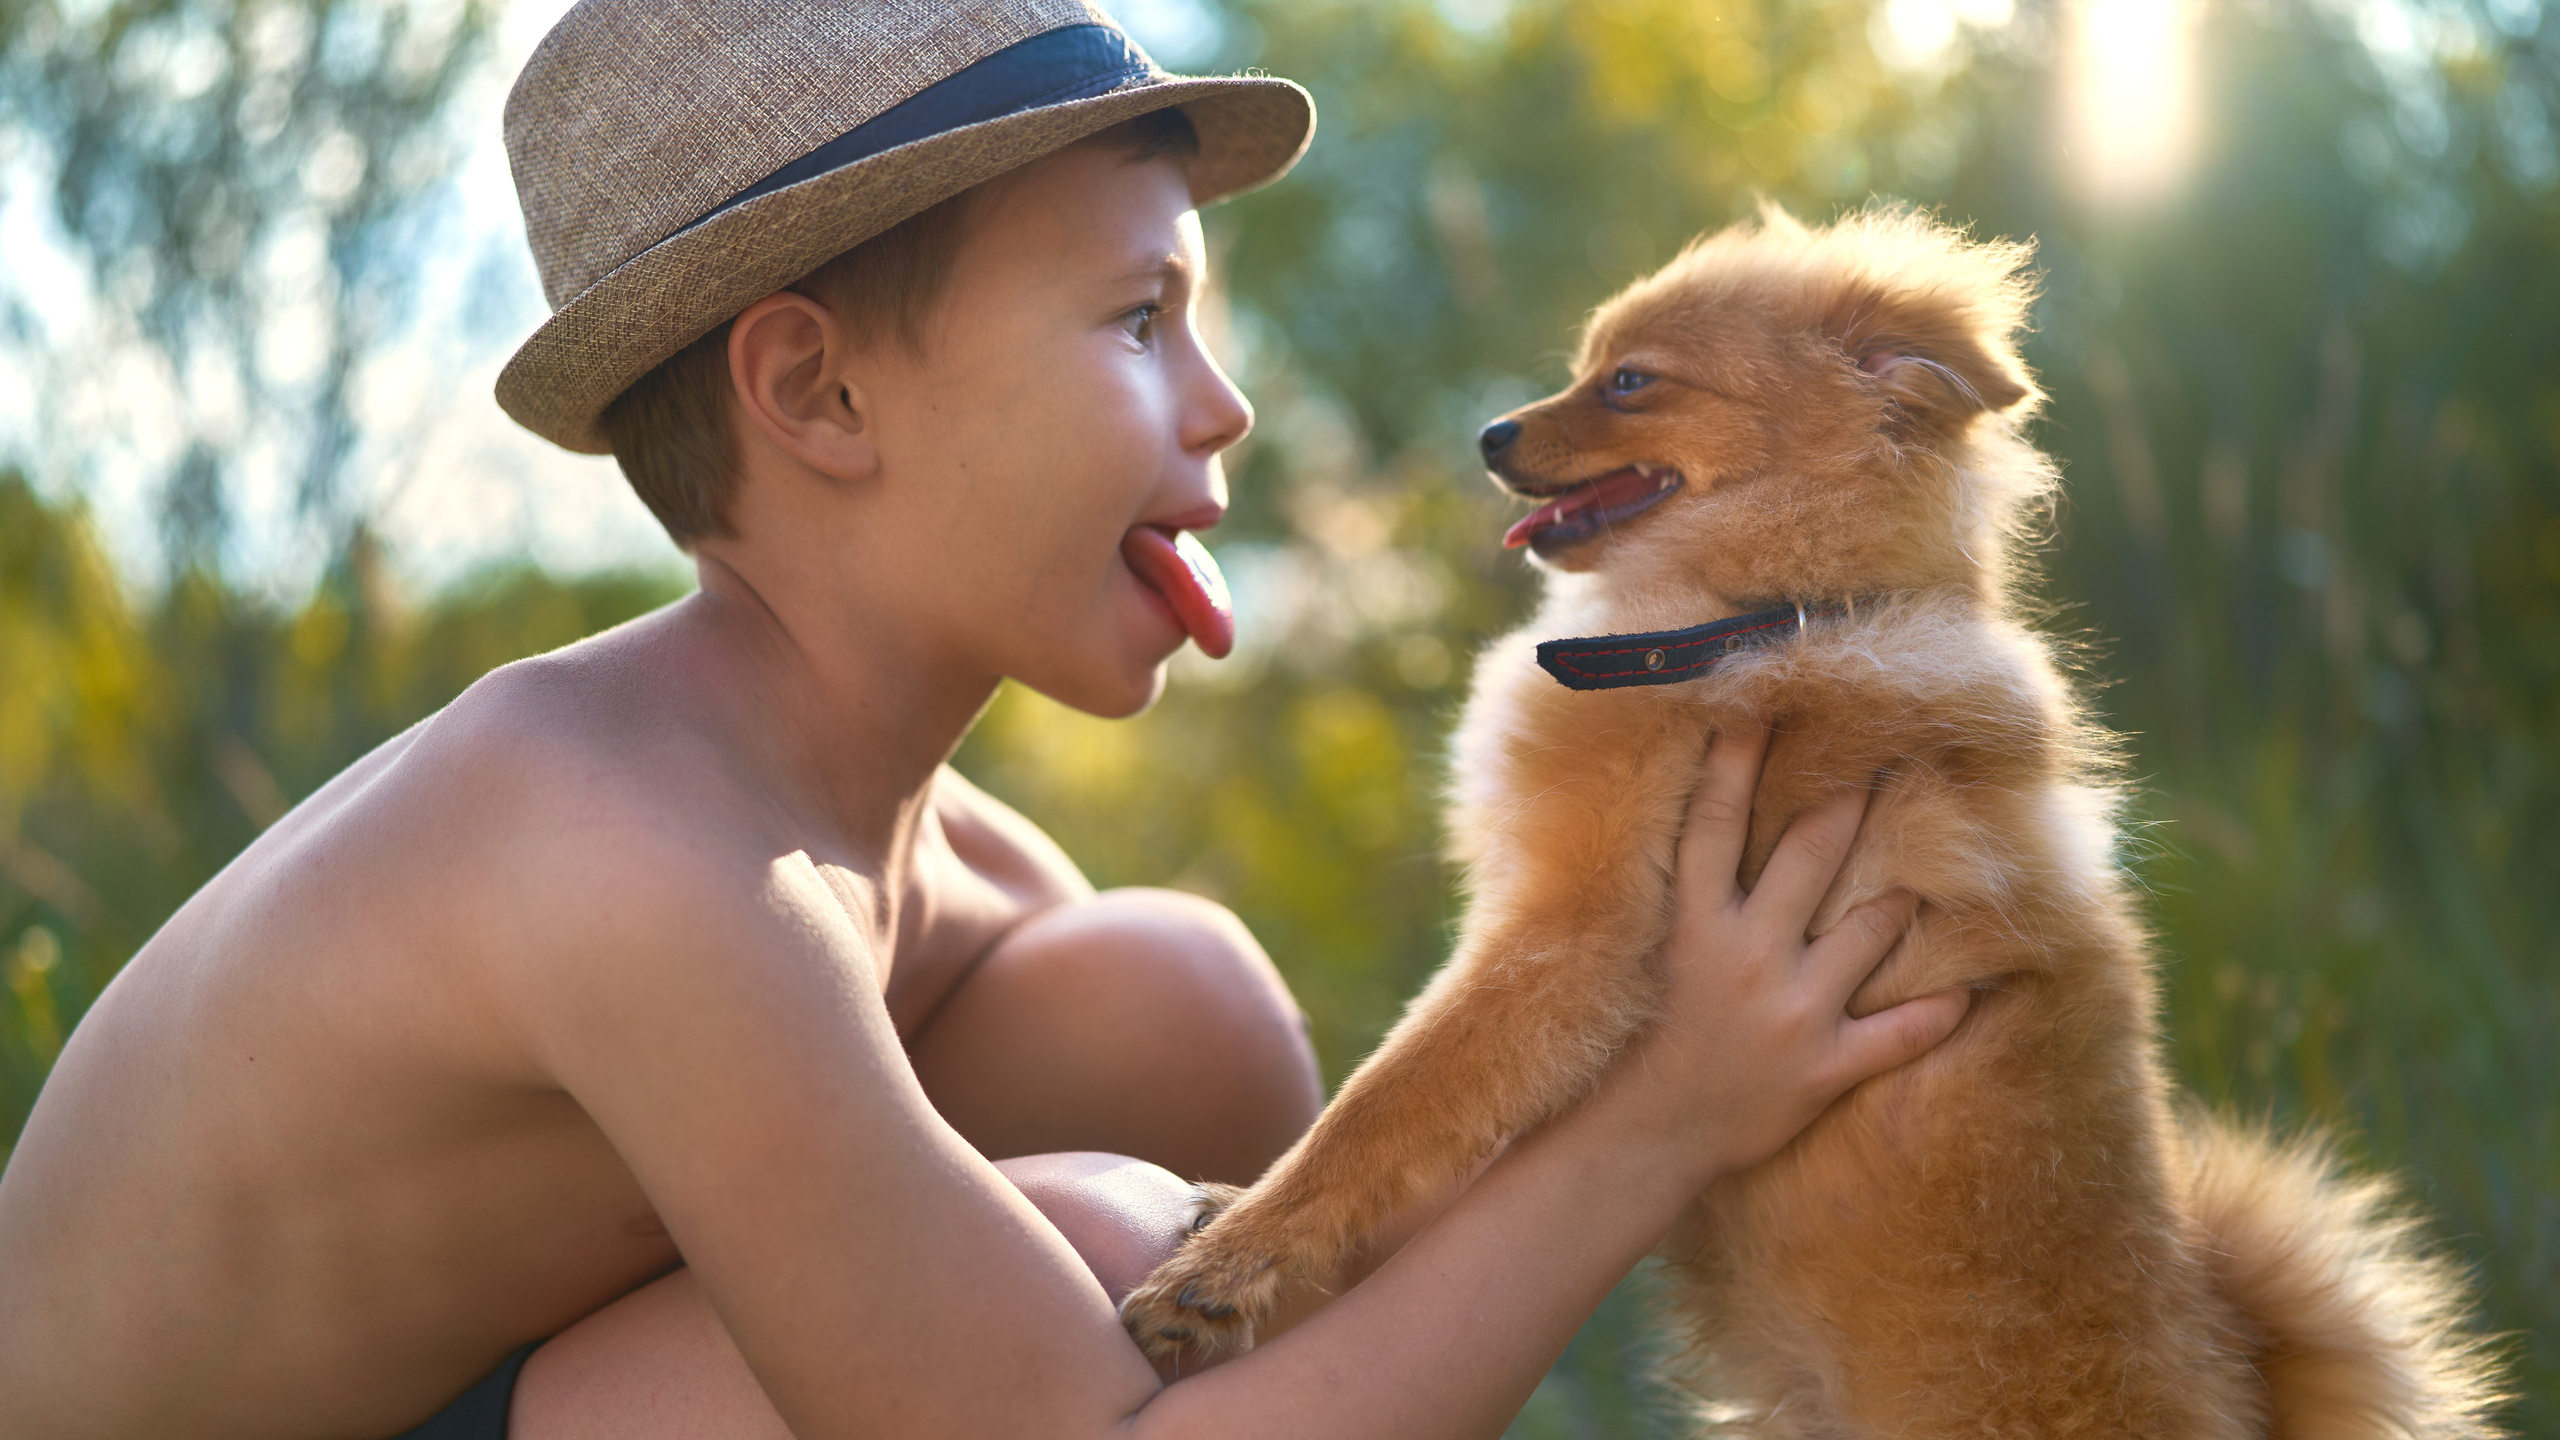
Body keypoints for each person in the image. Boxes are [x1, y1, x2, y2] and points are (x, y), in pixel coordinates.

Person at [0, 3, 1970, 1436]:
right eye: (1137, 321)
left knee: (1174, 1003)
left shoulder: (936, 860)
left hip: (484, 1371)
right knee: (1107, 1238)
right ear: (820, 396)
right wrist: (1661, 1119)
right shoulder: (627, 853)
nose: (1224, 405)